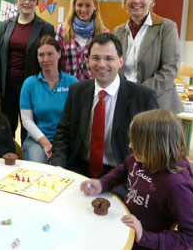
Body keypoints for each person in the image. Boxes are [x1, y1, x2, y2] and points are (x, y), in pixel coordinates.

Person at [81, 109, 193, 250]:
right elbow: (125, 169)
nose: (130, 146)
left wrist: (144, 236)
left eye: (136, 143)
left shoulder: (177, 186)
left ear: (156, 147)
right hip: (124, 224)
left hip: (145, 243)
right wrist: (103, 183)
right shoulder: (142, 158)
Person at [51, 33, 158, 181]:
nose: (101, 64)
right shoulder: (77, 91)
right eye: (95, 58)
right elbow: (63, 133)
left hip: (122, 174)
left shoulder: (143, 97)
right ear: (88, 60)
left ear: (121, 61)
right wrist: (58, 168)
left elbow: (152, 147)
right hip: (78, 169)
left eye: (109, 58)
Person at [113, 0, 182, 114]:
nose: (136, 1)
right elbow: (115, 66)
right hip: (124, 101)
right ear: (125, 2)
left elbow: (170, 69)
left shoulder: (166, 27)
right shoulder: (118, 31)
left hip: (157, 102)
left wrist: (139, 92)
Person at [0, 0, 55, 140]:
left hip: (31, 84)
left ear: (37, 2)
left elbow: (49, 58)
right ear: (17, 0)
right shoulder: (6, 25)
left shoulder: (46, 27)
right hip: (7, 85)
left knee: (29, 126)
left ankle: (27, 159)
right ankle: (8, 157)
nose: (27, 2)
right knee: (6, 125)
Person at [20, 36, 78, 163]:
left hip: (65, 141)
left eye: (50, 54)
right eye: (41, 55)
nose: (45, 59)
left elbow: (77, 119)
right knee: (40, 171)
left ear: (59, 54)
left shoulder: (73, 83)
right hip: (37, 140)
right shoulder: (29, 84)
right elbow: (26, 120)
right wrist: (45, 143)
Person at [56, 0, 109, 80]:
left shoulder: (103, 33)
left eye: (88, 5)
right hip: (68, 87)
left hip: (93, 87)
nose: (83, 10)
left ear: (95, 6)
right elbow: (56, 60)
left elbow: (107, 64)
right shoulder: (62, 30)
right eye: (80, 5)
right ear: (74, 6)